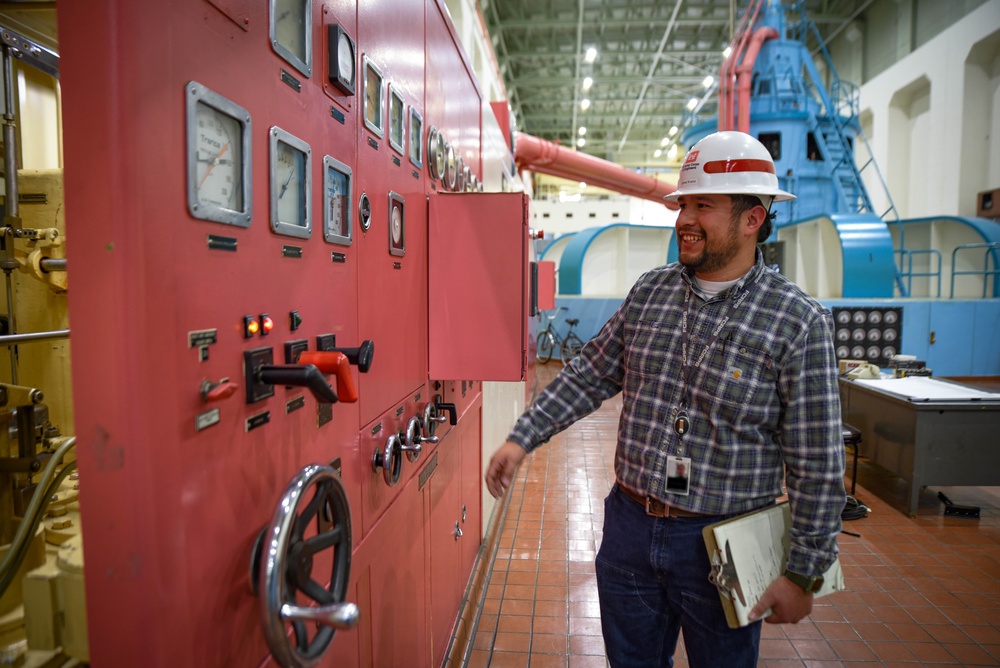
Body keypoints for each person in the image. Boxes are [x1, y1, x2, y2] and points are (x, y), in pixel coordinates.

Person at [485, 131, 846, 667]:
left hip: (724, 540)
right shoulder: (651, 292)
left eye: (704, 205)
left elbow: (816, 461)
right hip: (631, 527)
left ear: (753, 218)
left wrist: (804, 571)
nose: (684, 218)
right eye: (683, 204)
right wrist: (522, 437)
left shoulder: (797, 322)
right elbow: (590, 375)